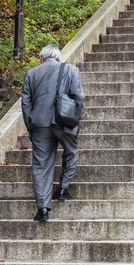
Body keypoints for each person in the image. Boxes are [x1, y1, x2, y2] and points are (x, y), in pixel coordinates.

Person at [21, 44, 85, 223]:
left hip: (40, 124)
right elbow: (79, 98)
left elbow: (26, 104)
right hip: (65, 122)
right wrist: (75, 122)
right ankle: (63, 189)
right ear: (58, 57)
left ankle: (42, 209)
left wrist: (30, 126)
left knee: (41, 165)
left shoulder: (31, 73)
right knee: (71, 152)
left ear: (42, 57)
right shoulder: (71, 70)